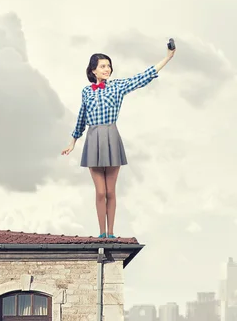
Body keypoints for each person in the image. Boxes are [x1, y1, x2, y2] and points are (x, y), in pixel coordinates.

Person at [61, 44, 176, 238]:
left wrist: (167, 58)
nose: (107, 69)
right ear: (93, 70)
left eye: (109, 66)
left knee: (110, 192)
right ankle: (102, 233)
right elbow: (81, 117)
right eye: (103, 66)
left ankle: (111, 233)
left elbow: (142, 78)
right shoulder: (86, 92)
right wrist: (73, 141)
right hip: (93, 138)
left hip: (112, 137)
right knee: (100, 193)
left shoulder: (117, 86)